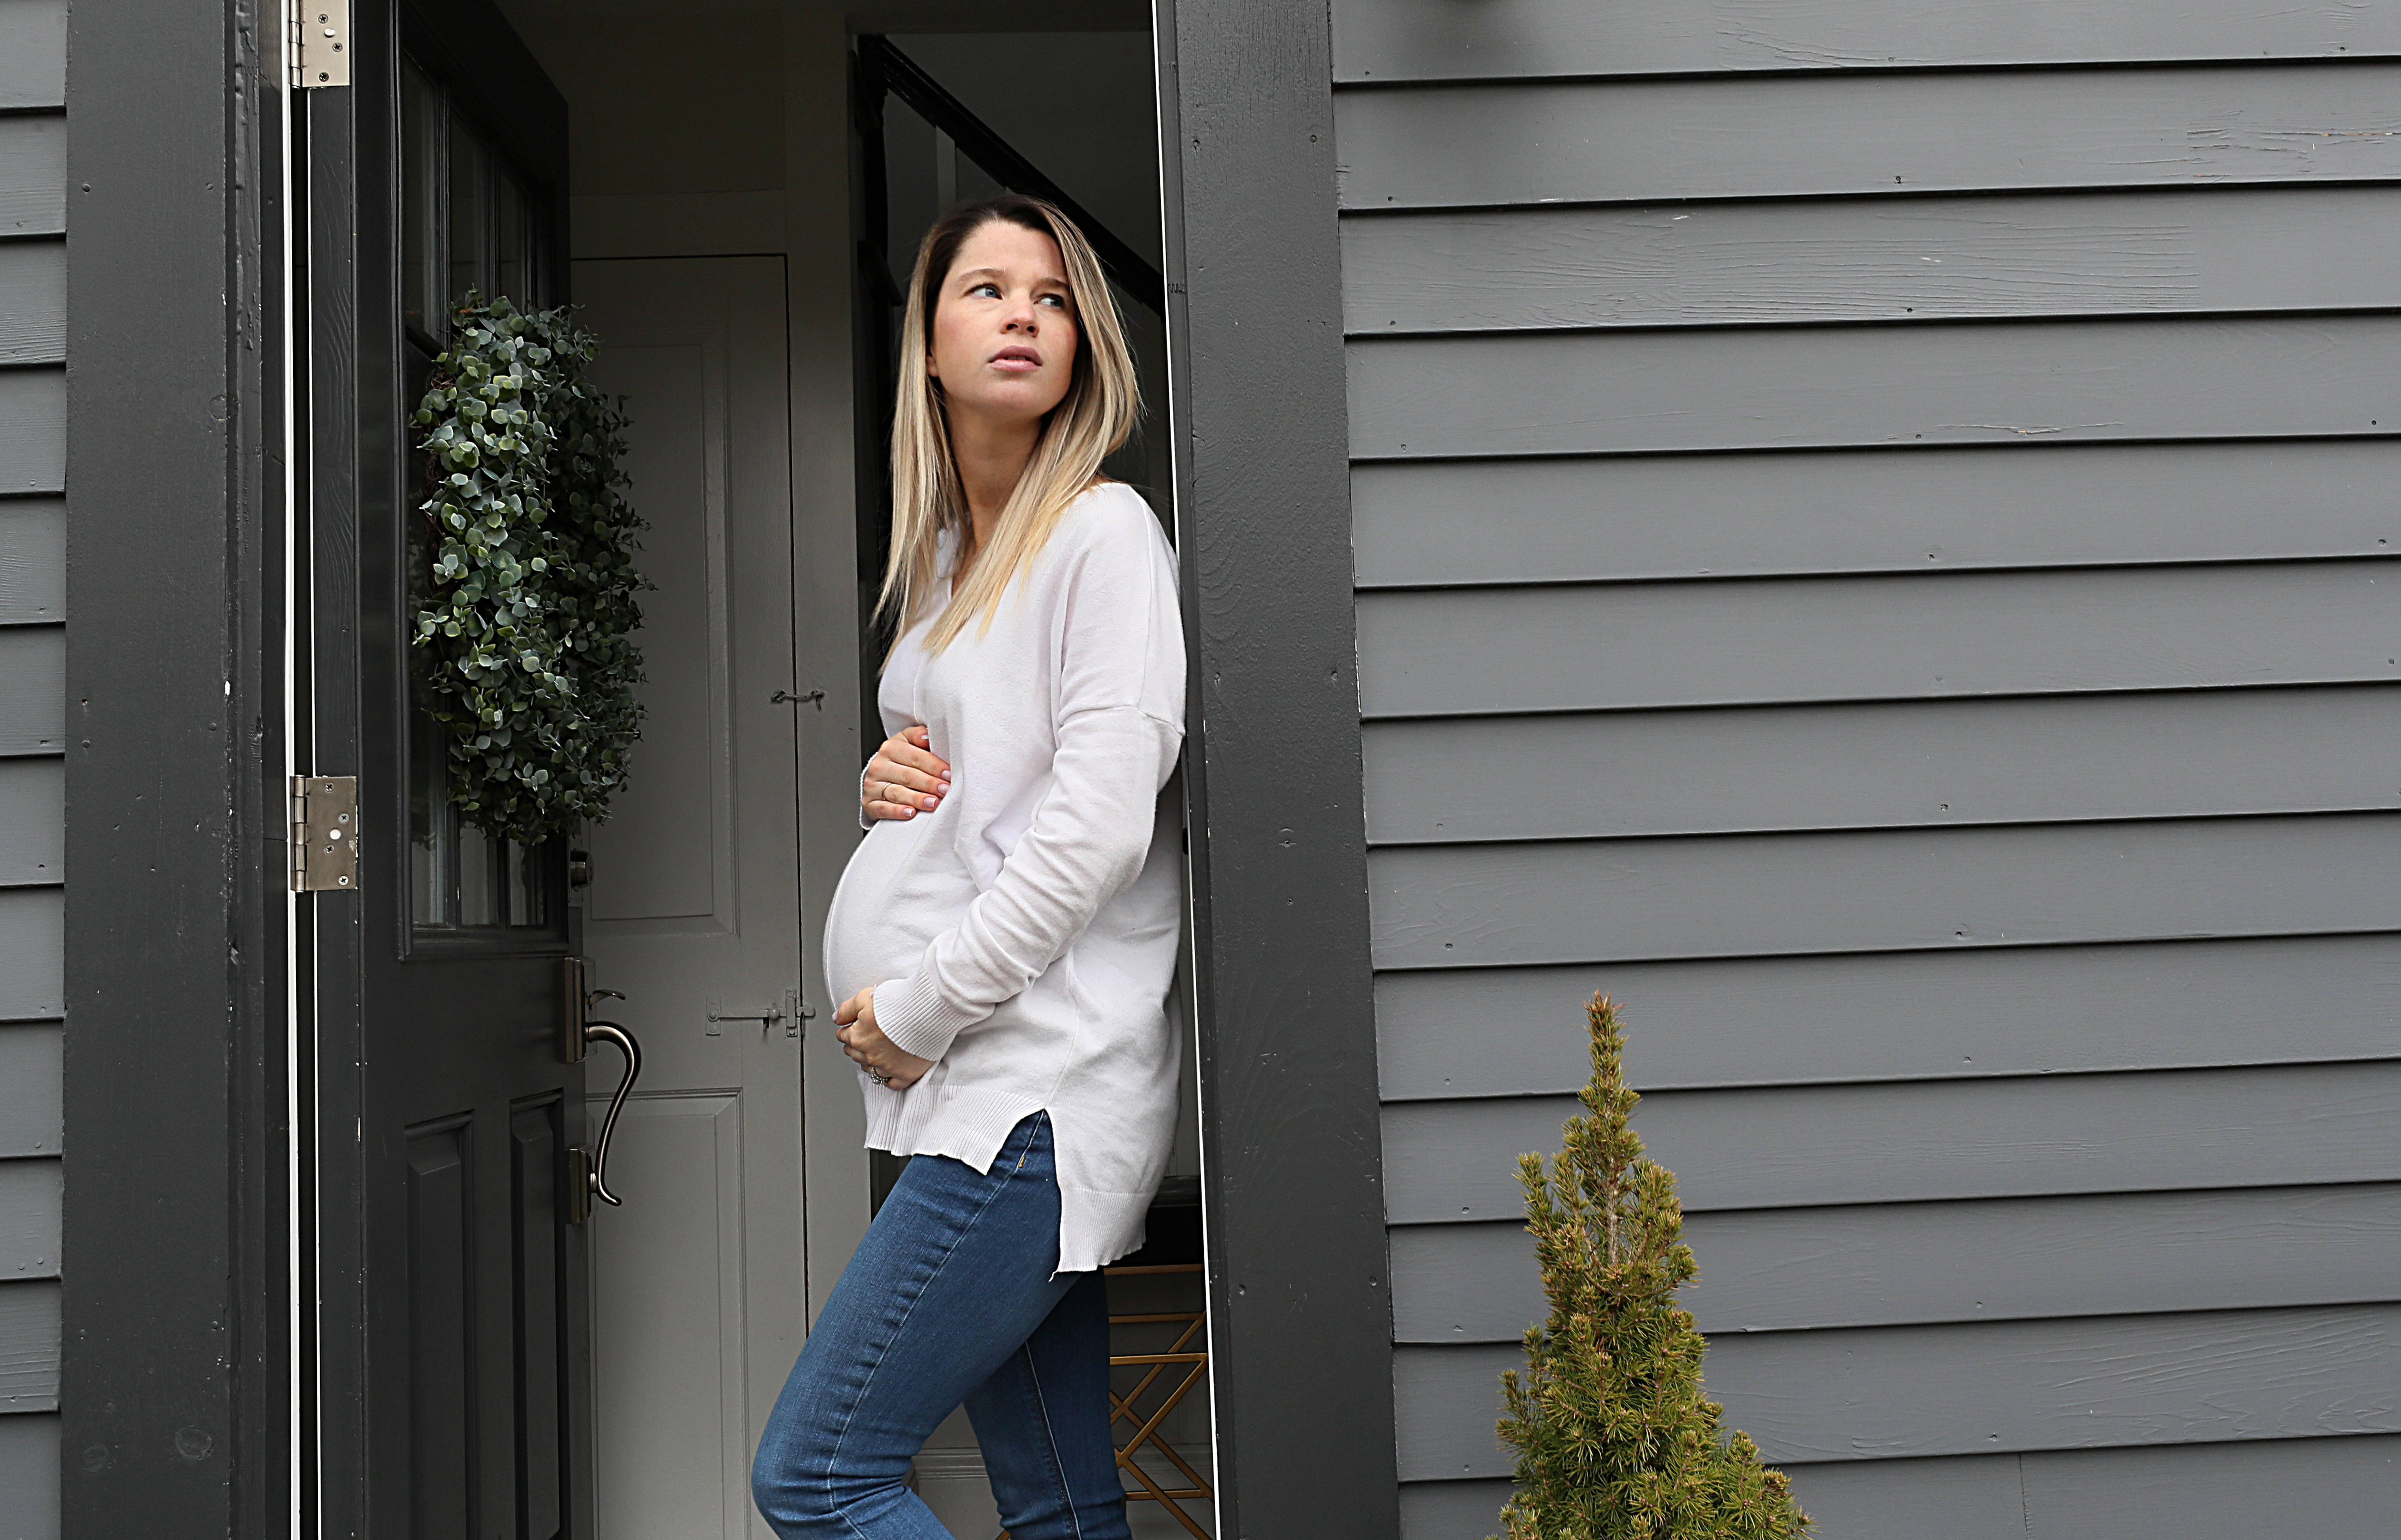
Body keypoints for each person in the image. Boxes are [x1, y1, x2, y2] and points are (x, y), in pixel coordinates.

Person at [750, 193, 1184, 1540]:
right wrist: (886, 782)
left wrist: (920, 1008)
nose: (1023, 317)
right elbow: (980, 787)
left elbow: (1099, 829)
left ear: (1084, 348)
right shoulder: (946, 563)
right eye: (987, 291)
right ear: (927, 345)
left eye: (1052, 300)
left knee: (819, 1476)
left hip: (1026, 1100)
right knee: (1059, 1504)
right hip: (964, 1098)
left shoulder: (1102, 537)